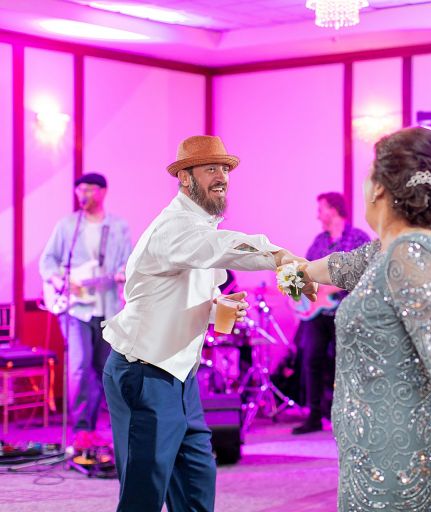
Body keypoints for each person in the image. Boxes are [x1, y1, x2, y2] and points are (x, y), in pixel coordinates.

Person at [101, 135, 312, 512]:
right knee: (143, 496)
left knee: (198, 480)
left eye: (225, 169)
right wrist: (282, 256)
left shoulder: (202, 229)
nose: (222, 177)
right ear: (184, 177)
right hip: (143, 373)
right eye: (211, 168)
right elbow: (225, 248)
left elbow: (194, 285)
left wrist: (218, 310)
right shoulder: (175, 227)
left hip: (181, 377)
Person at [295, 127, 431, 511]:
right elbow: (341, 267)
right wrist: (282, 268)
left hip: (401, 465)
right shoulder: (388, 251)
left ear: (380, 188)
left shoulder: (412, 251)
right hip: (370, 459)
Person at [39, 172, 132, 449]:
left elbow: (127, 262)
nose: (84, 195)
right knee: (79, 367)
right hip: (75, 309)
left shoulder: (117, 227)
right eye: (80, 190)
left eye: (90, 190)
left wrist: (122, 273)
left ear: (103, 191)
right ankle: (80, 429)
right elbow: (48, 261)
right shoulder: (68, 225)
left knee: (104, 369)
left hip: (106, 308)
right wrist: (59, 281)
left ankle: (97, 427)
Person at [292, 192, 369, 435]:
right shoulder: (318, 241)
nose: (317, 214)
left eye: (321, 208)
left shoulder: (358, 238)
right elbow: (305, 272)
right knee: (311, 359)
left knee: (345, 362)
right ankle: (314, 415)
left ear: (334, 210)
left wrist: (330, 285)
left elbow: (365, 272)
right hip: (319, 314)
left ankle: (348, 415)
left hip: (349, 311)